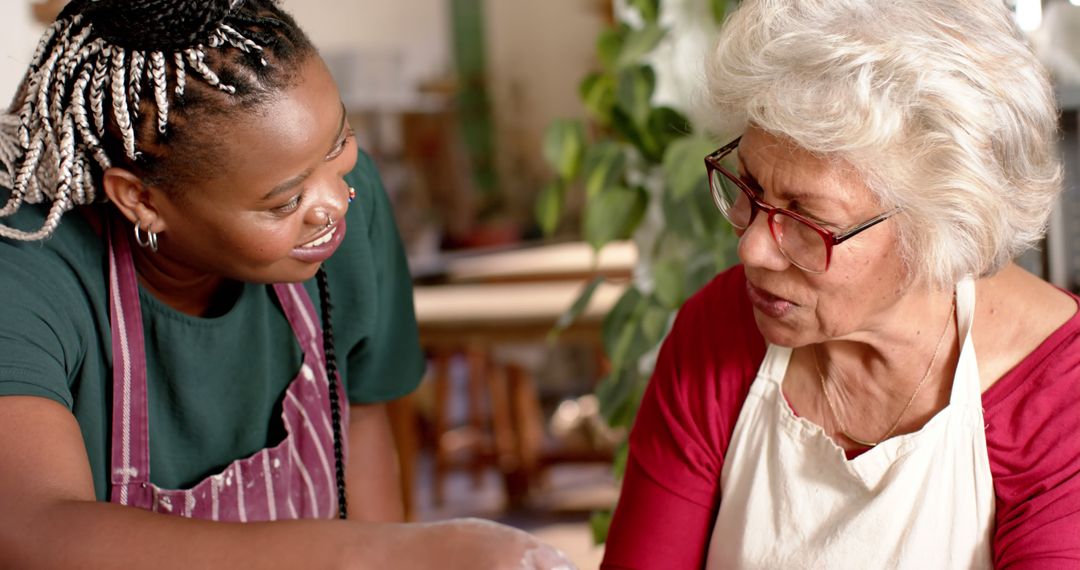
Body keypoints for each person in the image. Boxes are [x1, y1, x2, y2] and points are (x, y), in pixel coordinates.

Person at [0, 1, 574, 568]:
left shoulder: (352, 206)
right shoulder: (24, 256)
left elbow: (364, 419)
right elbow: (33, 529)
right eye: (286, 200)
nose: (335, 204)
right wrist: (392, 555)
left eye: (339, 148)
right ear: (142, 200)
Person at [602, 0, 1080, 568]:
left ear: (942, 226)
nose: (750, 247)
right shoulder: (719, 332)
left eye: (807, 219)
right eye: (750, 188)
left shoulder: (1059, 400)